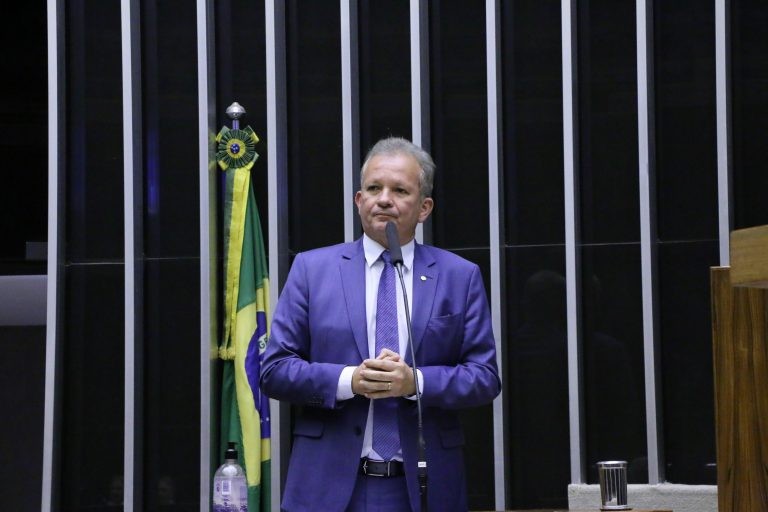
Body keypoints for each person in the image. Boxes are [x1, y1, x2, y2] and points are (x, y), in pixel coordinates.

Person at [260, 137, 501, 512]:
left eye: (399, 190)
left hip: (422, 487)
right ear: (359, 200)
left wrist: (414, 383)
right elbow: (274, 370)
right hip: (328, 485)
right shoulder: (312, 270)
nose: (384, 199)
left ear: (424, 208)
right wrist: (348, 381)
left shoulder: (459, 276)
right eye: (374, 188)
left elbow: (484, 378)